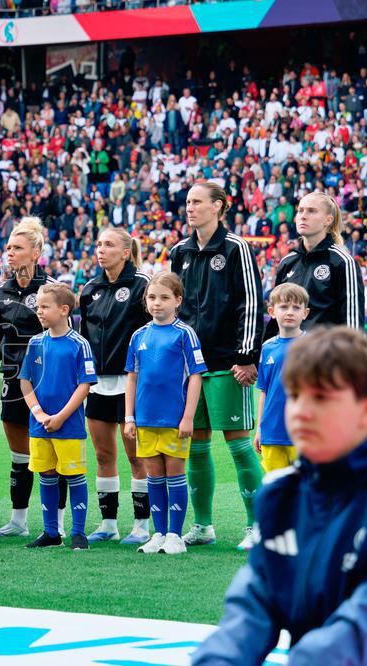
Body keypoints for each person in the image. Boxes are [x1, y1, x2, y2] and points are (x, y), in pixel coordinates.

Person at [193, 328, 367, 665]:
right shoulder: (281, 495)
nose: (300, 411)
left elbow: (357, 631)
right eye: (294, 395)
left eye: (321, 398)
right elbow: (251, 609)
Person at [170, 181, 264, 550]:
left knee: (239, 444)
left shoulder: (236, 247)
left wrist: (246, 355)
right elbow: (174, 306)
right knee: (196, 445)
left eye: (197, 202)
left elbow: (251, 302)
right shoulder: (180, 251)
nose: (190, 208)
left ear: (218, 206)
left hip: (228, 362)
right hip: (191, 366)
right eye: (187, 202)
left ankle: (258, 526)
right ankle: (203, 526)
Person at [123, 272, 207, 555]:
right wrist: (130, 417)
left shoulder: (184, 334)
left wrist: (188, 417)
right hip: (145, 419)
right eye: (151, 297)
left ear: (178, 301)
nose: (156, 303)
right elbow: (132, 377)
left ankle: (175, 535)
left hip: (174, 420)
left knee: (175, 474)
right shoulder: (139, 335)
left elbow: (195, 376)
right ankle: (158, 533)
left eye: (164, 298)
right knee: (154, 477)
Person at [0, 217, 58, 538]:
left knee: (50, 451)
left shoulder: (51, 289)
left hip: (47, 380)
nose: (10, 253)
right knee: (19, 454)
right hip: (13, 379)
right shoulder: (0, 290)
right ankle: (18, 521)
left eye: (17, 248)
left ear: (36, 253)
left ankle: (56, 523)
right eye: (8, 248)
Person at [80, 227, 152, 545]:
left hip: (131, 382)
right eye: (98, 244)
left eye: (108, 245)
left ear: (125, 252)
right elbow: (85, 338)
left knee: (137, 457)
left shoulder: (142, 285)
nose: (101, 249)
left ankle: (142, 525)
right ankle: (108, 524)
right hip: (98, 383)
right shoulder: (90, 288)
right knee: (103, 455)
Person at [20, 283, 97, 551]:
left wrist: (62, 416)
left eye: (45, 306)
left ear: (64, 310)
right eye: (37, 306)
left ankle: (78, 532)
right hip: (40, 425)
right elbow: (25, 381)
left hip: (69, 425)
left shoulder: (79, 344)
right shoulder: (35, 343)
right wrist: (38, 412)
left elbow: (84, 385)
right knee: (46, 475)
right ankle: (51, 531)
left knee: (74, 476)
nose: (39, 311)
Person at [269, 191, 364, 333]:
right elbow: (276, 315)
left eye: (311, 211)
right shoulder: (287, 262)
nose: (303, 216)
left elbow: (353, 324)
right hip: (288, 347)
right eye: (300, 210)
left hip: (325, 346)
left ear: (328, 220)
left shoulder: (342, 262)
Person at [254, 284, 310, 477]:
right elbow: (264, 392)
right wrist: (260, 428)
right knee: (277, 487)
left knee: (305, 487)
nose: (290, 312)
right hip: (272, 432)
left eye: (296, 307)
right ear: (272, 312)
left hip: (304, 432)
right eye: (284, 307)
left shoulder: (313, 346)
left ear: (305, 313)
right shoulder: (267, 347)